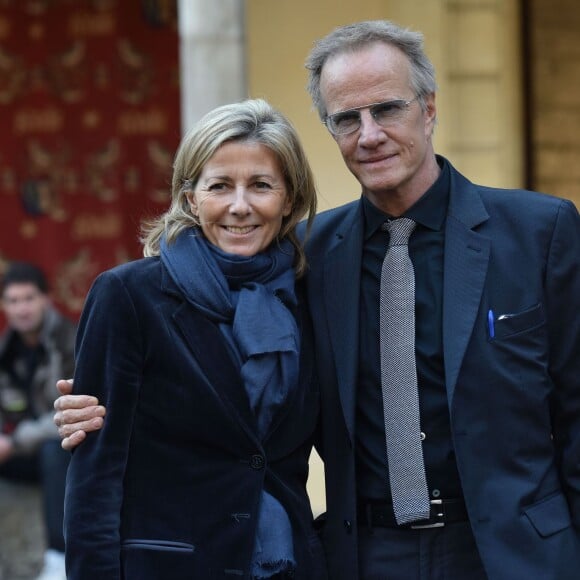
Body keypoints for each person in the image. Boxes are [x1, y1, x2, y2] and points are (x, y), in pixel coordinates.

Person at [55, 19, 580, 580]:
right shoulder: (307, 257)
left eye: (388, 109)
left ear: (428, 108)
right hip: (362, 556)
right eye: (346, 118)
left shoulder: (538, 232)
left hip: (514, 554)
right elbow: (227, 377)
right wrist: (92, 406)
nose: (369, 134)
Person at [62, 98, 326, 580]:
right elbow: (95, 478)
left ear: (288, 199)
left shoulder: (311, 299)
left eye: (261, 186)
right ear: (190, 199)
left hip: (287, 565)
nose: (240, 205)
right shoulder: (129, 295)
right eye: (220, 186)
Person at [0, 261, 75, 580]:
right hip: (19, 450)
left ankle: (58, 557)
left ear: (46, 298)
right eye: (13, 301)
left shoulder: (71, 340)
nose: (22, 309)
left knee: (53, 449)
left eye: (29, 299)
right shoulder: (6, 350)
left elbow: (68, 413)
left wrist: (14, 441)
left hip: (70, 447)